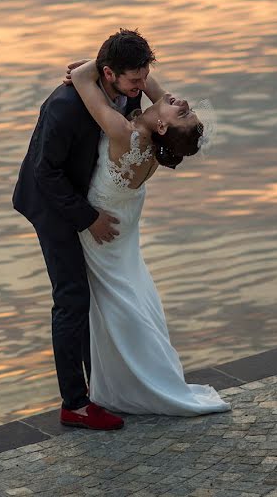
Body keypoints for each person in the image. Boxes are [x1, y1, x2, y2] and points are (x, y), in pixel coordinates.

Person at [13, 29, 169, 430]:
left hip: (88, 194)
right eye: (134, 79)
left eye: (143, 77)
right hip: (53, 205)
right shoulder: (65, 107)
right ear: (109, 74)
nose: (140, 88)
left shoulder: (125, 87)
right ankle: (75, 404)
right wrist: (87, 217)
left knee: (94, 294)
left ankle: (102, 385)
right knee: (71, 298)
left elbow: (150, 95)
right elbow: (43, 172)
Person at [67, 47, 231, 417]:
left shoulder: (122, 132)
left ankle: (133, 381)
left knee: (118, 299)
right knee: (132, 291)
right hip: (125, 221)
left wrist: (100, 65)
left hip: (103, 230)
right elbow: (150, 85)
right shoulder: (159, 141)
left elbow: (80, 79)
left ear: (162, 125)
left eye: (182, 111)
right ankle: (137, 374)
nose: (181, 101)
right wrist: (127, 66)